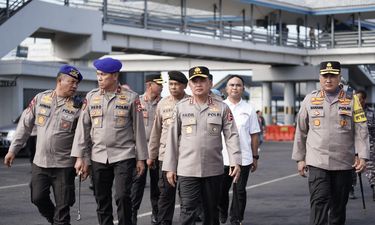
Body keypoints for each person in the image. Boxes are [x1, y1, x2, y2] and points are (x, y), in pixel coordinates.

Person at [71, 57, 148, 225]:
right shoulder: (91, 97)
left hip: (124, 155)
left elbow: (139, 130)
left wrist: (141, 158)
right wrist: (80, 157)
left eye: (103, 75)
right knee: (101, 198)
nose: (99, 78)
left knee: (122, 196)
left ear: (114, 76)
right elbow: (82, 129)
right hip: (98, 155)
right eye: (98, 74)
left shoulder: (131, 97)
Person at [292, 61, 370, 225]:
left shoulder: (352, 100)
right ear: (319, 78)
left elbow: (361, 130)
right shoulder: (309, 99)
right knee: (319, 202)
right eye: (325, 76)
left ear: (339, 77)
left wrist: (362, 156)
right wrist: (300, 158)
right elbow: (301, 130)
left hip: (343, 163)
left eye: (333, 76)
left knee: (338, 208)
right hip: (317, 162)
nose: (328, 79)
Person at [4, 64, 83, 225]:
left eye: (77, 83)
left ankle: (59, 221)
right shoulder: (41, 99)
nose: (75, 86)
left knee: (63, 207)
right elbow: (25, 125)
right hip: (40, 163)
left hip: (64, 165)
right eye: (71, 82)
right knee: (37, 197)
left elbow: (84, 136)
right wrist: (13, 150)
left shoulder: (78, 106)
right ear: (60, 81)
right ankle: (55, 220)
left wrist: (83, 159)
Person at [162, 66, 242, 225]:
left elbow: (231, 135)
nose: (198, 84)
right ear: (190, 85)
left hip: (212, 169)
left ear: (210, 83)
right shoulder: (181, 107)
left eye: (202, 80)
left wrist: (235, 161)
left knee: (211, 211)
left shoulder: (221, 107)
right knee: (188, 210)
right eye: (194, 81)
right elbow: (171, 138)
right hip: (187, 169)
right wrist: (169, 167)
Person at [147, 71, 189, 225]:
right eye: (171, 84)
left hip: (186, 156)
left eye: (177, 84)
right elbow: (156, 131)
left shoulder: (192, 103)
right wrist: (151, 156)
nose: (173, 87)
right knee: (165, 195)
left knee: (186, 196)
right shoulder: (163, 104)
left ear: (184, 86)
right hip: (165, 157)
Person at [219, 75, 260, 225]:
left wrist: (255, 157)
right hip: (222, 158)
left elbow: (254, 135)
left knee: (239, 191)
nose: (235, 87)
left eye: (238, 85)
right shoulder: (219, 106)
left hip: (244, 158)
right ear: (226, 89)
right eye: (231, 85)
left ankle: (236, 219)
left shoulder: (249, 109)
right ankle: (222, 211)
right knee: (221, 191)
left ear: (243, 88)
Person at [131, 73, 163, 225]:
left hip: (157, 151)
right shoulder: (137, 101)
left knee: (157, 186)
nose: (162, 87)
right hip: (140, 152)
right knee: (136, 186)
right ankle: (132, 215)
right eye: (159, 84)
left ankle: (155, 214)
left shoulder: (164, 103)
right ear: (149, 85)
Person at [356, 90, 375, 201]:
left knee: (371, 168)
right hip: (353, 146)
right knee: (351, 170)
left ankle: (373, 186)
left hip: (370, 145)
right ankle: (350, 188)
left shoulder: (371, 113)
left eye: (359, 99)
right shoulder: (350, 113)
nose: (357, 101)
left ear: (364, 100)